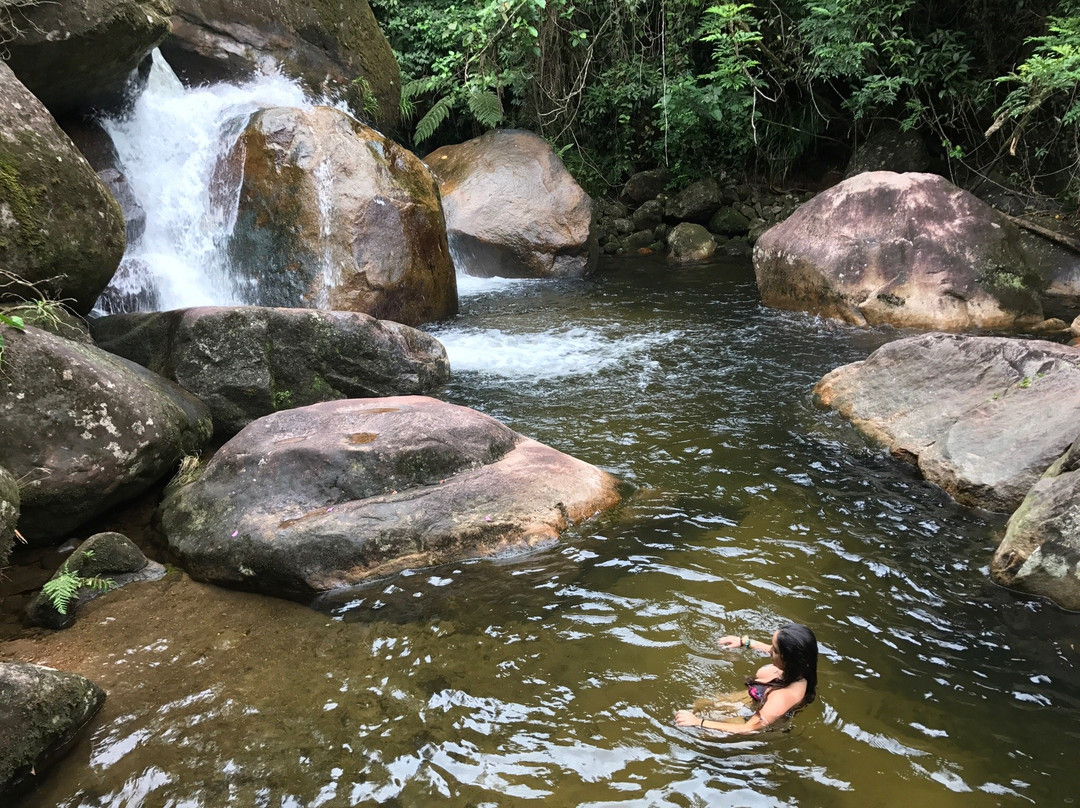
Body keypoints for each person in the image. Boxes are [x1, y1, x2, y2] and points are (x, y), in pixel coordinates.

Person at [675, 623, 818, 734]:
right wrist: (746, 642)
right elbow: (771, 648)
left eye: (774, 650)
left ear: (789, 659)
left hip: (752, 720)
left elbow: (749, 729)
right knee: (700, 704)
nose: (769, 651)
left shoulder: (782, 697)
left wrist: (698, 722)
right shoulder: (799, 668)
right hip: (752, 700)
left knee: (702, 735)